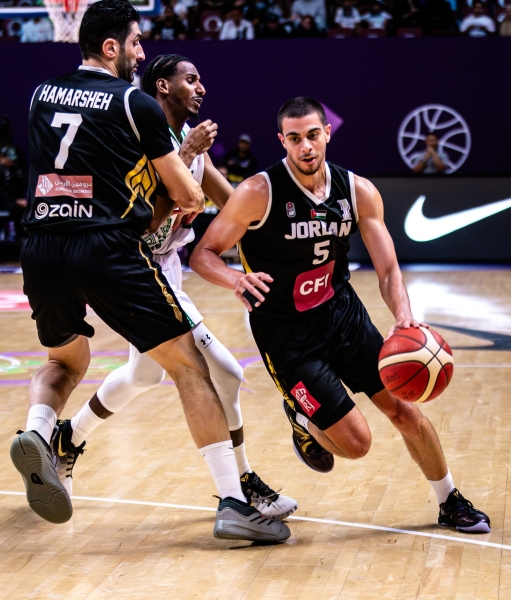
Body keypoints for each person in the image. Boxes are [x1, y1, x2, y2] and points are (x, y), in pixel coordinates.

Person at [11, 0, 289, 544]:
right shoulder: (135, 105)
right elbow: (188, 197)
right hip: (111, 250)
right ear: (110, 46)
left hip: (41, 245)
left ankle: (43, 434)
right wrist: (182, 181)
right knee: (192, 370)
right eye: (136, 42)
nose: (140, 53)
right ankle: (235, 498)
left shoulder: (41, 93)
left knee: (68, 362)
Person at [190, 97, 491, 534]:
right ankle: (302, 417)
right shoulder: (258, 192)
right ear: (282, 141)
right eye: (295, 138)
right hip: (287, 336)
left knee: (405, 411)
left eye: (313, 135)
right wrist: (235, 279)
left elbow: (388, 269)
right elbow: (203, 254)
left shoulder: (357, 190)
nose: (306, 147)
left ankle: (449, 501)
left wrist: (404, 315)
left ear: (327, 133)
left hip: (343, 316)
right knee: (356, 444)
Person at [57, 53, 298, 521]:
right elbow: (144, 222)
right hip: (133, 270)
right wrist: (185, 153)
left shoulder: (191, 143)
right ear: (163, 86)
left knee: (144, 375)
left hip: (164, 269)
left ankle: (69, 437)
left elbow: (235, 205)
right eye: (191, 79)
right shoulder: (135, 139)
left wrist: (283, 227)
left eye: (202, 79)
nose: (201, 87)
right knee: (225, 374)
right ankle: (243, 485)